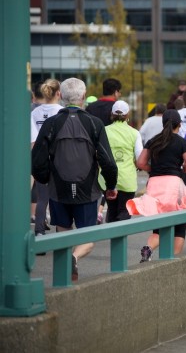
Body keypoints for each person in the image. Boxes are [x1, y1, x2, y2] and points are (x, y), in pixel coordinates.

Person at [32, 78, 118, 281]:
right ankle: (75, 257)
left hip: (58, 189)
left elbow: (37, 160)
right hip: (87, 189)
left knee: (63, 234)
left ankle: (64, 278)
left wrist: (45, 179)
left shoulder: (51, 124)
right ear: (83, 96)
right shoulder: (94, 123)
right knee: (88, 239)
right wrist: (111, 186)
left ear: (60, 95)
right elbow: (108, 161)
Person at [128, 110, 186, 262]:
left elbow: (140, 163)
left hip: (154, 184)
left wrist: (153, 169)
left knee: (159, 225)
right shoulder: (183, 143)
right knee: (179, 224)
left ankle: (149, 248)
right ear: (179, 125)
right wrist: (181, 169)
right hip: (173, 184)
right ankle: (171, 260)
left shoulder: (153, 141)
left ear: (163, 123)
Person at [30, 79, 63, 236]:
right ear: (58, 93)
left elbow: (32, 141)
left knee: (42, 198)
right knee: (60, 197)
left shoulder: (35, 113)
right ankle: (61, 233)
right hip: (59, 160)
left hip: (41, 159)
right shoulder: (62, 112)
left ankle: (39, 231)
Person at [101, 100, 143, 222]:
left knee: (112, 210)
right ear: (127, 115)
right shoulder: (134, 133)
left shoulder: (104, 130)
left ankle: (114, 237)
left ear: (112, 114)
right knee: (124, 211)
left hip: (106, 178)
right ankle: (120, 239)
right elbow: (139, 156)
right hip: (127, 179)